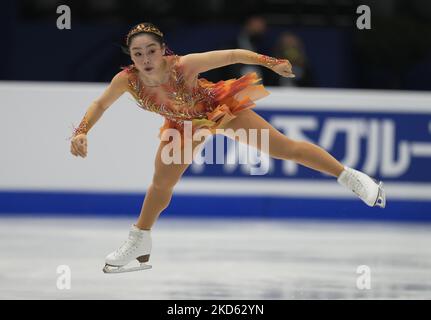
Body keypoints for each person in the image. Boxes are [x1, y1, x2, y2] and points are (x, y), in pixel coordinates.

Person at [69, 22, 386, 273]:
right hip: (183, 125)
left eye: (151, 50)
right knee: (161, 182)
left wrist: (270, 62)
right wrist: (82, 132)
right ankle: (139, 240)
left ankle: (351, 177)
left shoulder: (184, 65)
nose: (146, 58)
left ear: (163, 49)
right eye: (138, 53)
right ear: (131, 57)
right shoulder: (126, 80)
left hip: (219, 110)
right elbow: (100, 103)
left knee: (284, 149)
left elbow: (234, 54)